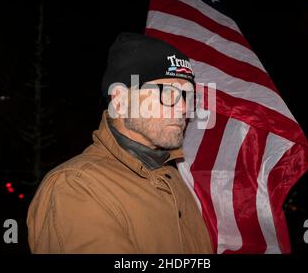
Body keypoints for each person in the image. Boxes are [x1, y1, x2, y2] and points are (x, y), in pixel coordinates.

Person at [27, 32, 213, 253]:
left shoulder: (172, 180)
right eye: (170, 93)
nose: (184, 108)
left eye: (187, 96)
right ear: (121, 100)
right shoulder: (76, 187)